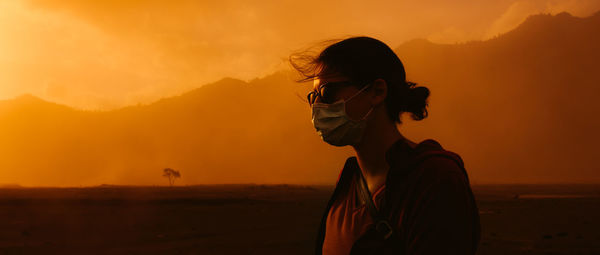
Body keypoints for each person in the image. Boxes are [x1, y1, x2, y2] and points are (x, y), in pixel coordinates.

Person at [289, 36, 481, 255]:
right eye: (313, 97)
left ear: (377, 92)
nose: (317, 107)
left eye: (326, 93)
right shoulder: (349, 183)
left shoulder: (434, 180)